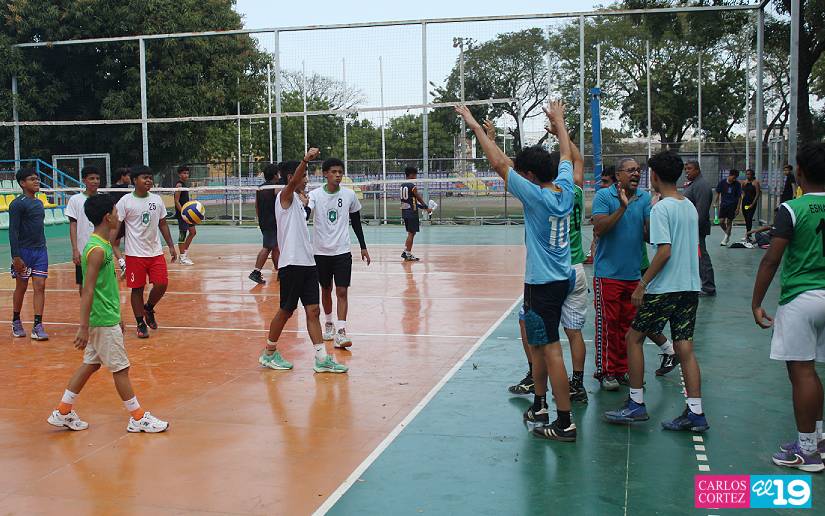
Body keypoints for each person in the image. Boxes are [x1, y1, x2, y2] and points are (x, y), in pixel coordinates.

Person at [457, 100, 577, 442]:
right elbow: (565, 153)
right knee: (538, 346)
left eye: (522, 173)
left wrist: (474, 125)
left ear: (530, 177)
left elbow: (499, 164)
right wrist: (560, 122)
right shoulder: (564, 186)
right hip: (560, 278)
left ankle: (565, 422)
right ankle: (540, 405)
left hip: (542, 283)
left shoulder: (536, 196)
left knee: (551, 350)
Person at [604, 150, 709, 433]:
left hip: (665, 288)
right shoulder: (688, 205)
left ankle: (636, 403)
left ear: (655, 176)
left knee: (633, 338)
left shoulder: (662, 208)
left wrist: (642, 284)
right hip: (690, 287)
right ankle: (695, 412)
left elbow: (664, 252)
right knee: (684, 346)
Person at [47, 194, 169, 433]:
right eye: (115, 211)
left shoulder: (102, 245)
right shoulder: (96, 250)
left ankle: (63, 411)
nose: (117, 215)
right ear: (107, 217)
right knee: (121, 369)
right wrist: (83, 327)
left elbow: (107, 287)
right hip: (101, 320)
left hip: (106, 316)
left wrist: (118, 315)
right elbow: (88, 290)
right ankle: (137, 417)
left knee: (90, 364)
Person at [752, 142, 825, 472]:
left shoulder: (793, 208)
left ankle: (807, 452)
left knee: (801, 372)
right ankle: (817, 439)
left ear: (800, 172)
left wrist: (756, 302)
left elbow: (771, 259)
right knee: (812, 372)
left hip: (802, 298)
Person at [259, 148, 348, 374]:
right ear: (292, 177)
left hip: (308, 264)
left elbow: (300, 221)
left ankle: (321, 358)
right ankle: (269, 353)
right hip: (292, 264)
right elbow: (293, 183)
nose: (307, 180)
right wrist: (305, 160)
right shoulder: (284, 196)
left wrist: (307, 204)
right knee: (286, 311)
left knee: (314, 310)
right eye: (304, 176)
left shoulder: (298, 201)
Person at [591, 158, 651, 390]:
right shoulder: (604, 196)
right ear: (618, 175)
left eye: (638, 170)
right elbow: (600, 228)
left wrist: (660, 215)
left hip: (633, 276)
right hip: (607, 275)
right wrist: (623, 208)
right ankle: (607, 371)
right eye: (631, 170)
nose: (636, 173)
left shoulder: (644, 198)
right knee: (609, 326)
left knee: (629, 327)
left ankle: (624, 369)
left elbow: (649, 235)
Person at [309, 158, 371, 349]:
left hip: (342, 250)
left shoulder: (349, 195)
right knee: (326, 289)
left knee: (342, 290)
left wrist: (363, 246)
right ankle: (329, 324)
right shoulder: (314, 195)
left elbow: (356, 221)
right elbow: (305, 213)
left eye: (340, 172)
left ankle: (341, 331)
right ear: (325, 174)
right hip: (320, 251)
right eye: (334, 172)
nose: (337, 175)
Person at [112, 166, 177, 339]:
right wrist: (109, 243)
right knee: (137, 289)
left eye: (150, 177)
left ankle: (148, 308)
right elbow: (116, 225)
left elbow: (163, 223)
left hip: (155, 252)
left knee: (162, 284)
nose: (148, 180)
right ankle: (140, 322)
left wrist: (171, 245)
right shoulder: (125, 201)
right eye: (144, 177)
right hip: (134, 254)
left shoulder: (157, 200)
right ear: (135, 180)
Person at [8, 168, 49, 340]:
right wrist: (16, 256)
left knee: (40, 286)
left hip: (40, 251)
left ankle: (37, 325)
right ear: (22, 183)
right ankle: (16, 320)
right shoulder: (17, 204)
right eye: (32, 179)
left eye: (37, 178)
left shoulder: (39, 203)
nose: (37, 181)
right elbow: (13, 231)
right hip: (23, 252)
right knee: (22, 286)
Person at [683, 160, 716, 296]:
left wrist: (693, 229)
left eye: (689, 169)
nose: (687, 171)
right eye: (685, 169)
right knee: (697, 257)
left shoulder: (701, 186)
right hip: (692, 228)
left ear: (697, 170)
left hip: (696, 229)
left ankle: (708, 287)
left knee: (702, 257)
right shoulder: (695, 184)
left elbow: (701, 211)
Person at [66, 166, 101, 294]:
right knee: (84, 284)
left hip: (101, 248)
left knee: (102, 283)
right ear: (84, 180)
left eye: (97, 178)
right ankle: (86, 307)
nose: (95, 181)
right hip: (83, 250)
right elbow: (73, 225)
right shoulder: (75, 200)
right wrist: (75, 250)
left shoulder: (104, 200)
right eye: (91, 178)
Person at [249, 162, 283, 285]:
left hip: (265, 221)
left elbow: (256, 206)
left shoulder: (260, 188)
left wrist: (260, 219)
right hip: (272, 222)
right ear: (275, 175)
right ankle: (256, 272)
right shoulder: (275, 188)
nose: (279, 175)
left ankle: (281, 272)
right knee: (268, 247)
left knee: (276, 247)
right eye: (278, 173)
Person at [400, 166, 432, 261]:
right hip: (412, 213)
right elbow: (418, 198)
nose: (416, 177)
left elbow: (411, 201)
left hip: (405, 212)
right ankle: (407, 253)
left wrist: (423, 208)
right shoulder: (412, 186)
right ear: (411, 175)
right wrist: (426, 207)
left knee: (411, 233)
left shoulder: (402, 185)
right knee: (411, 233)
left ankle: (406, 251)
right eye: (415, 175)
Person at [174, 166, 196, 265]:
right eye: (184, 173)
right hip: (182, 214)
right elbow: (176, 201)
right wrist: (183, 212)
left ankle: (184, 253)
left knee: (192, 232)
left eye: (187, 173)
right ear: (179, 174)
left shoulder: (184, 184)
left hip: (188, 214)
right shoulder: (179, 185)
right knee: (182, 235)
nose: (186, 175)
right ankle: (182, 258)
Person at [715, 169, 743, 246]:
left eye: (735, 178)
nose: (734, 179)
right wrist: (715, 202)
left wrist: (738, 208)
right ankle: (727, 233)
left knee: (729, 222)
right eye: (733, 177)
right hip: (724, 205)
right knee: (721, 222)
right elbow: (718, 193)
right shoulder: (722, 183)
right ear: (730, 175)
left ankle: (725, 239)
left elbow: (739, 197)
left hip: (732, 206)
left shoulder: (737, 184)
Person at [741, 168, 761, 239]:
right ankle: (748, 233)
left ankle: (748, 234)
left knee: (749, 218)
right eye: (747, 174)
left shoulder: (756, 183)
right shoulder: (744, 182)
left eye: (749, 174)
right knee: (746, 218)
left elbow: (757, 194)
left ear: (752, 175)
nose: (748, 176)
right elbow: (743, 191)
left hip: (752, 202)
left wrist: (753, 204)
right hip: (745, 202)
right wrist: (743, 198)